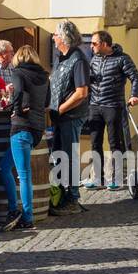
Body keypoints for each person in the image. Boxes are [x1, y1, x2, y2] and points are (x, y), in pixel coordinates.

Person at [84, 32, 138, 191]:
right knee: (95, 143)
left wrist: (134, 96)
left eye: (94, 43)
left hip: (113, 106)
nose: (91, 46)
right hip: (95, 106)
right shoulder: (94, 59)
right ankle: (97, 179)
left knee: (115, 143)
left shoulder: (122, 58)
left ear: (104, 44)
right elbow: (88, 79)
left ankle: (116, 179)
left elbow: (136, 78)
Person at [0, 44, 49, 232]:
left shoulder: (18, 72)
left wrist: (16, 110)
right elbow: (46, 102)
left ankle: (27, 217)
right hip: (37, 129)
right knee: (3, 167)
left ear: (18, 58)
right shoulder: (44, 75)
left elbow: (18, 92)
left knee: (24, 175)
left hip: (21, 127)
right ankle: (14, 209)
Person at [49, 21, 90, 214]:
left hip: (71, 116)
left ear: (64, 37)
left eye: (55, 35)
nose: (53, 38)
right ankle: (61, 195)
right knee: (59, 157)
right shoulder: (61, 58)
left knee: (69, 157)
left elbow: (81, 92)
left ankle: (72, 199)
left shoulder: (78, 59)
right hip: (59, 117)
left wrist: (61, 109)